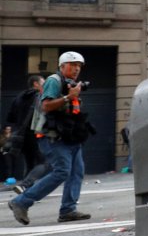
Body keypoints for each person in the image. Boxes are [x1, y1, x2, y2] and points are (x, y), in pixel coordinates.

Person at [7, 52, 94, 225]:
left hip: (69, 137)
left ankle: (68, 210)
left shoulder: (71, 84)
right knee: (62, 171)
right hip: (53, 137)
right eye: (72, 64)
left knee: (76, 172)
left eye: (79, 66)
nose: (76, 68)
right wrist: (69, 97)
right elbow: (46, 106)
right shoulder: (54, 81)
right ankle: (21, 202)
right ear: (62, 66)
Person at [3, 75, 48, 194]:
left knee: (29, 162)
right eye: (43, 83)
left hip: (20, 135)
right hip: (33, 133)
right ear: (36, 84)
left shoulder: (18, 97)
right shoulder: (39, 96)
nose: (45, 86)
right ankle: (25, 185)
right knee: (43, 162)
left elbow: (10, 117)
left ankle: (27, 192)